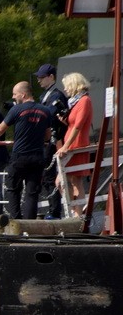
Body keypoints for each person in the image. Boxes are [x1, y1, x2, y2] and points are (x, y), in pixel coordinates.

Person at [0, 81, 53, 220]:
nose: (13, 97)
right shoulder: (45, 111)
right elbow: (48, 135)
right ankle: (30, 225)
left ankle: (16, 221)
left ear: (23, 94)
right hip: (37, 156)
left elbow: (0, 128)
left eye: (15, 94)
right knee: (32, 193)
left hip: (20, 156)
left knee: (13, 189)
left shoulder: (16, 110)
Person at [56, 72, 94, 218]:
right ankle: (76, 212)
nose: (65, 89)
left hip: (77, 145)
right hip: (72, 143)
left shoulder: (84, 101)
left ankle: (77, 213)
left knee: (68, 180)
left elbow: (78, 126)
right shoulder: (76, 101)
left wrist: (65, 147)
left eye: (66, 86)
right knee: (71, 180)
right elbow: (74, 124)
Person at [35, 64, 68, 219]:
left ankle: (55, 211)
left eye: (42, 77)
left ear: (51, 77)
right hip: (45, 140)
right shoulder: (45, 96)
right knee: (46, 176)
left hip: (54, 140)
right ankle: (52, 209)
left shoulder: (56, 95)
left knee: (50, 175)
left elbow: (49, 115)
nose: (39, 80)